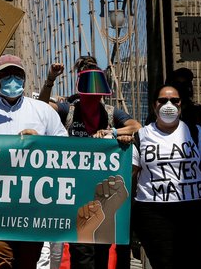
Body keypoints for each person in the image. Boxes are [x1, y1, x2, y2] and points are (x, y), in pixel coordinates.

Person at [0, 54, 67, 269]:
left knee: (27, 263)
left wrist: (38, 143)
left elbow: (64, 152)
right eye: (6, 74)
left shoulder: (43, 110)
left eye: (18, 74)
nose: (13, 79)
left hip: (32, 207)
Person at [46, 56, 140, 269]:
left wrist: (114, 132)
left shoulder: (109, 113)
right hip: (75, 193)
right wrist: (50, 80)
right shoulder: (68, 110)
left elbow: (137, 127)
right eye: (88, 95)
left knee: (103, 251)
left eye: (97, 95)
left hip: (104, 194)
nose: (92, 99)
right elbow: (41, 109)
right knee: (82, 252)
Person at [130, 84, 201, 265]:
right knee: (165, 263)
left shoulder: (195, 132)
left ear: (181, 105)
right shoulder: (141, 136)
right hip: (154, 213)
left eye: (174, 100)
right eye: (163, 100)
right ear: (154, 106)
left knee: (199, 262)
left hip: (194, 210)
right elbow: (131, 173)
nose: (169, 104)